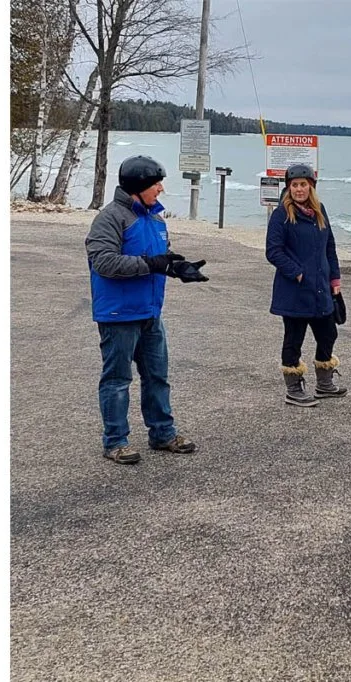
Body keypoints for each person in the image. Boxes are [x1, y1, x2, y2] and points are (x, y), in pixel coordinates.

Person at [86, 155, 204, 465]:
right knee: (117, 380)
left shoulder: (156, 218)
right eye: (156, 184)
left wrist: (177, 267)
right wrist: (151, 264)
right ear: (138, 187)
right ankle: (115, 442)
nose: (162, 189)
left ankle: (163, 434)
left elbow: (158, 258)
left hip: (151, 312)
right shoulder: (109, 218)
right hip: (119, 314)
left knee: (157, 377)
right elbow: (104, 263)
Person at [266, 164, 345, 407]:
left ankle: (324, 383)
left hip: (321, 286)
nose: (299, 189)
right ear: (289, 188)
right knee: (294, 339)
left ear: (311, 186)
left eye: (303, 184)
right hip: (294, 290)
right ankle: (293, 388)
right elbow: (273, 251)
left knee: (328, 334)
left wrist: (335, 279)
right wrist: (297, 273)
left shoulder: (320, 210)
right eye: (295, 185)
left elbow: (329, 247)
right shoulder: (281, 214)